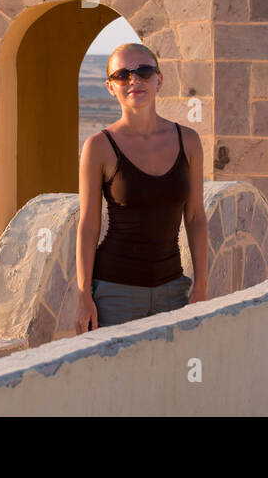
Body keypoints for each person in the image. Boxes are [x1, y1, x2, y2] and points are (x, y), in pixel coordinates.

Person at [75, 43, 208, 332]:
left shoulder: (189, 141)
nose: (134, 80)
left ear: (158, 80)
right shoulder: (98, 147)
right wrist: (84, 294)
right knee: (118, 377)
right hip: (115, 291)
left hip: (173, 288)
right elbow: (88, 225)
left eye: (144, 72)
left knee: (171, 376)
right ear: (111, 87)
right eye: (123, 75)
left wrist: (201, 286)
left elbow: (196, 217)